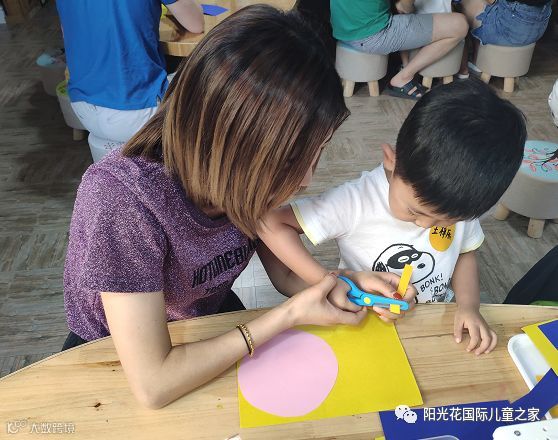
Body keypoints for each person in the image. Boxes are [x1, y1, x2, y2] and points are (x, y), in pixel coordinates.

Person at [62, 5, 413, 409]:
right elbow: (153, 384)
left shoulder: (248, 174)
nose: (305, 179)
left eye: (316, 153)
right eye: (293, 159)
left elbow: (284, 271)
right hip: (112, 358)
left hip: (206, 323)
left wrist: (347, 285)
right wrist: (287, 316)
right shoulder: (124, 199)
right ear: (234, 142)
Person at [258, 80, 527, 355]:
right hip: (362, 319)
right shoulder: (355, 201)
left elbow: (465, 253)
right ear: (391, 160)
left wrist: (469, 306)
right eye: (415, 211)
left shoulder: (458, 201)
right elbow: (271, 222)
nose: (426, 225)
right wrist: (327, 281)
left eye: (444, 222)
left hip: (429, 321)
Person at [56, 0, 204, 161]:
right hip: (135, 111)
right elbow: (196, 24)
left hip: (82, 106)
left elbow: (67, 32)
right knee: (205, 75)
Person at [330, 0, 468, 99]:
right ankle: (403, 77)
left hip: (342, 28)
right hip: (372, 35)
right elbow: (405, 7)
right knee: (460, 24)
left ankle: (405, 65)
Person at [458, 0, 552, 76]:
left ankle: (472, 62)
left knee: (467, 2)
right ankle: (477, 57)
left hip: (509, 32)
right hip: (537, 31)